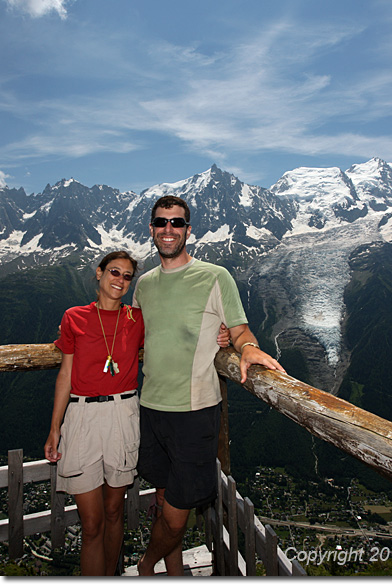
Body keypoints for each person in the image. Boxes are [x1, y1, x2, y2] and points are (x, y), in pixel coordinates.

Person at [134, 195, 285, 576]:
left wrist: (246, 348)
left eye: (177, 223)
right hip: (150, 408)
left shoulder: (215, 276)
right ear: (151, 229)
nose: (169, 229)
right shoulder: (144, 285)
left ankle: (146, 566)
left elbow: (239, 329)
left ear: (188, 230)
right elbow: (134, 338)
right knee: (169, 500)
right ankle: (172, 571)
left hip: (194, 413)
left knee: (175, 515)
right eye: (162, 222)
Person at [44, 251, 144, 576]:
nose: (120, 280)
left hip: (123, 412)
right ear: (99, 273)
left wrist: (223, 335)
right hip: (82, 416)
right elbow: (65, 374)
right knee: (91, 524)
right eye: (114, 272)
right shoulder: (74, 317)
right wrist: (55, 427)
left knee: (115, 512)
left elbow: (179, 335)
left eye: (127, 276)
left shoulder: (137, 319)